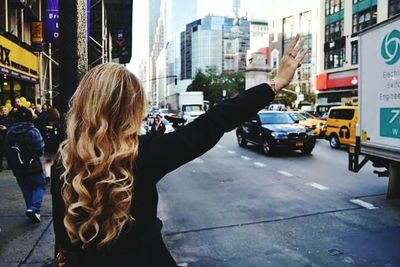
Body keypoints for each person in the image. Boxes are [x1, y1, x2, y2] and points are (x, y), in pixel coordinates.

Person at [50, 35, 306, 266]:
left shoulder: (65, 163)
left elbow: (63, 239)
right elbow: (215, 121)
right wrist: (276, 83)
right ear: (132, 108)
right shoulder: (145, 153)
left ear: (83, 105)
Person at [6, 107, 46, 223]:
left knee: (26, 188)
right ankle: (34, 208)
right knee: (39, 185)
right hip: (32, 164)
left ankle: (31, 208)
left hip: (17, 166)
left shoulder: (10, 132)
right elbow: (40, 149)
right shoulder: (33, 131)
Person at [0, 105, 10, 171]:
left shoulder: (11, 118)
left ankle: (10, 166)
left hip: (8, 137)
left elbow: (13, 127)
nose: (4, 111)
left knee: (9, 152)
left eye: (5, 110)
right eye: (3, 110)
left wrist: (7, 128)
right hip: (1, 137)